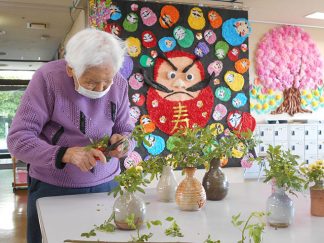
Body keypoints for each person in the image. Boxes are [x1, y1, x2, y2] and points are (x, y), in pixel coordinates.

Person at [7, 28, 134, 243]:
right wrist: (67, 154)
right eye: (92, 82)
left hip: (107, 185)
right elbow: (18, 139)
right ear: (70, 69)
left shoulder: (119, 84)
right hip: (53, 188)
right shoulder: (47, 79)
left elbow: (127, 130)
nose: (101, 89)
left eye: (107, 81)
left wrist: (124, 142)